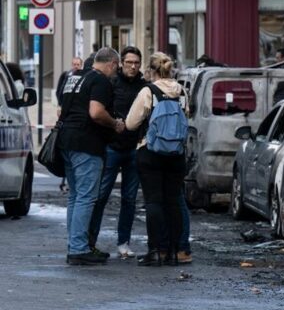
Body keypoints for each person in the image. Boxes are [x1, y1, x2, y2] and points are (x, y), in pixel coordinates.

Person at [58, 47, 125, 265]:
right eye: (117, 68)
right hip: (87, 143)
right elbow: (96, 112)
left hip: (66, 140)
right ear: (112, 64)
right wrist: (114, 123)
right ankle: (79, 248)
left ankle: (75, 245)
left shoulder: (74, 77)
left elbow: (62, 109)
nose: (116, 73)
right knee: (86, 196)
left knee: (76, 196)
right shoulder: (100, 81)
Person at [126, 52, 189, 267]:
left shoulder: (148, 91)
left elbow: (131, 123)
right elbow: (186, 116)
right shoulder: (182, 91)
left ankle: (156, 250)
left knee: (154, 201)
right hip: (176, 153)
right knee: (173, 201)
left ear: (152, 71)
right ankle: (173, 251)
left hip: (150, 151)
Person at [87, 46, 147, 259]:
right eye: (129, 62)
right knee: (100, 196)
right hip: (112, 147)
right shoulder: (111, 82)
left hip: (133, 149)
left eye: (136, 63)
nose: (132, 66)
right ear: (121, 63)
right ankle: (89, 240)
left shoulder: (144, 87)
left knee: (129, 199)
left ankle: (123, 243)